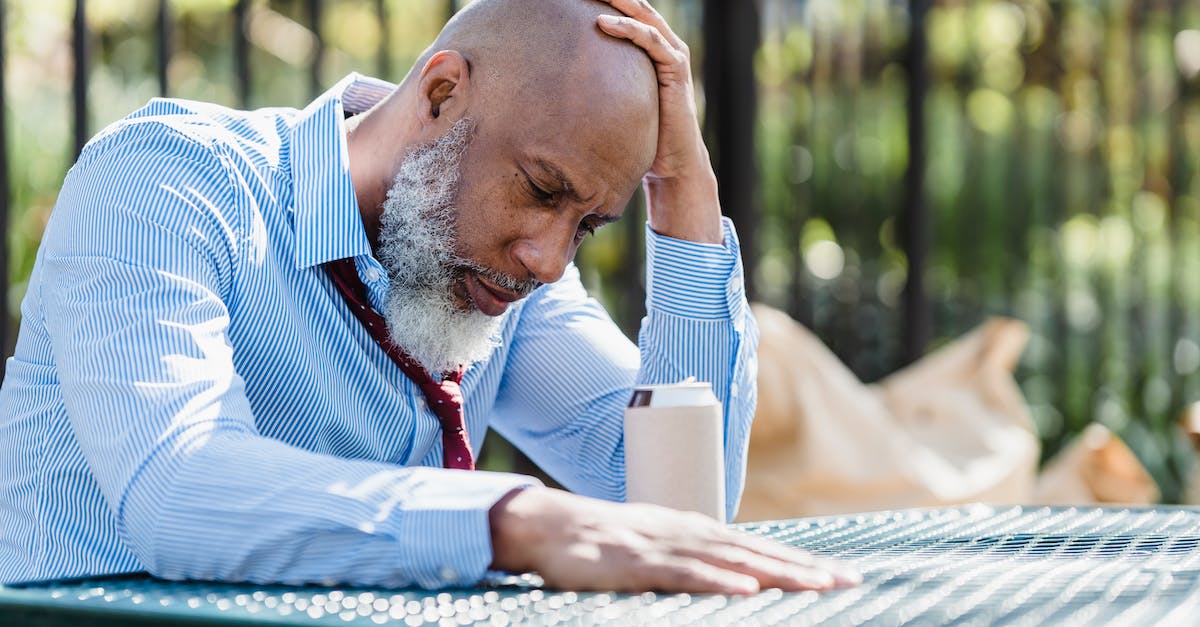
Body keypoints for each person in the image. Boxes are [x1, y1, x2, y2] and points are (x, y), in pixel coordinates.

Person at [0, 0, 858, 593]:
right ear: (442, 92)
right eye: (542, 189)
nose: (550, 260)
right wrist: (512, 520)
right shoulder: (166, 183)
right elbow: (179, 488)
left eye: (588, 225)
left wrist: (686, 201)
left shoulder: (496, 275)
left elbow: (670, 499)